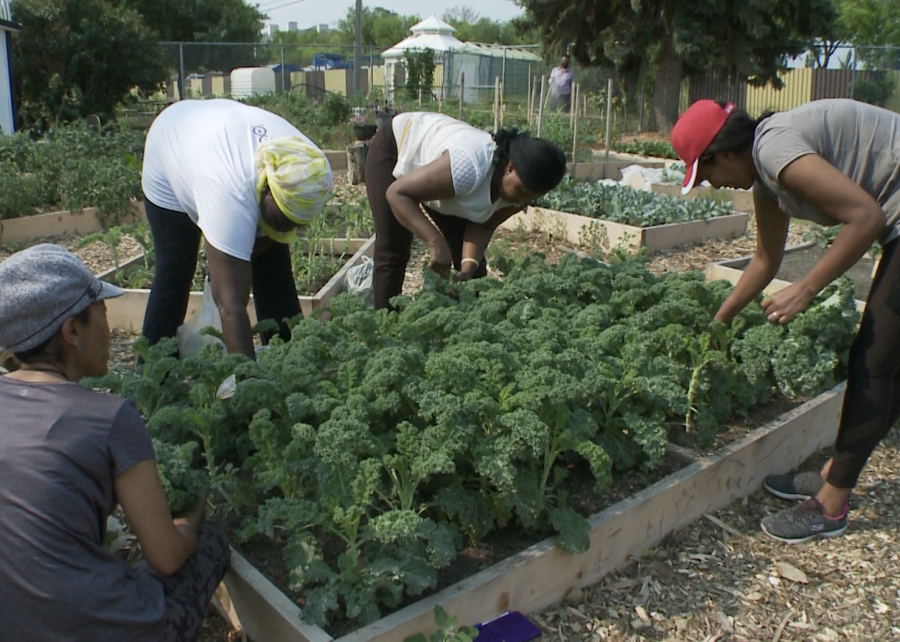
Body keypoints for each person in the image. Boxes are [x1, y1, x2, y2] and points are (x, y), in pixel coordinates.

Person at [672, 98, 900, 543]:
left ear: (724, 154)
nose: (715, 184)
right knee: (889, 360)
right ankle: (837, 471)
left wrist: (808, 287)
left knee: (873, 359)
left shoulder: (774, 151)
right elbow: (765, 260)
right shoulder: (765, 180)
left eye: (707, 173)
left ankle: (831, 506)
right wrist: (719, 320)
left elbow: (866, 217)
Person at [0, 244, 230, 641]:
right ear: (72, 331)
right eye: (101, 312)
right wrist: (191, 515)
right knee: (208, 541)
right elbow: (168, 556)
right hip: (104, 630)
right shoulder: (109, 417)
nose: (109, 324)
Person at [141, 98, 333, 358]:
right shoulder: (229, 194)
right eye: (281, 221)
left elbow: (273, 230)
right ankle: (154, 374)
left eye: (295, 225)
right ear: (267, 190)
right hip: (171, 145)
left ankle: (288, 359)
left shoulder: (311, 170)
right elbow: (230, 305)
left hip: (219, 138)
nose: (286, 229)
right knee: (176, 269)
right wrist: (248, 385)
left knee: (274, 271)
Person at [365, 111, 568, 310]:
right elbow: (397, 194)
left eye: (530, 197)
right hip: (398, 147)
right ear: (510, 168)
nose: (521, 201)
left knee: (473, 271)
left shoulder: (517, 193)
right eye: (522, 191)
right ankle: (385, 327)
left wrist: (467, 268)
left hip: (442, 182)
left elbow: (484, 224)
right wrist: (435, 242)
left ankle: (465, 328)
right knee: (394, 248)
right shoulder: (469, 167)